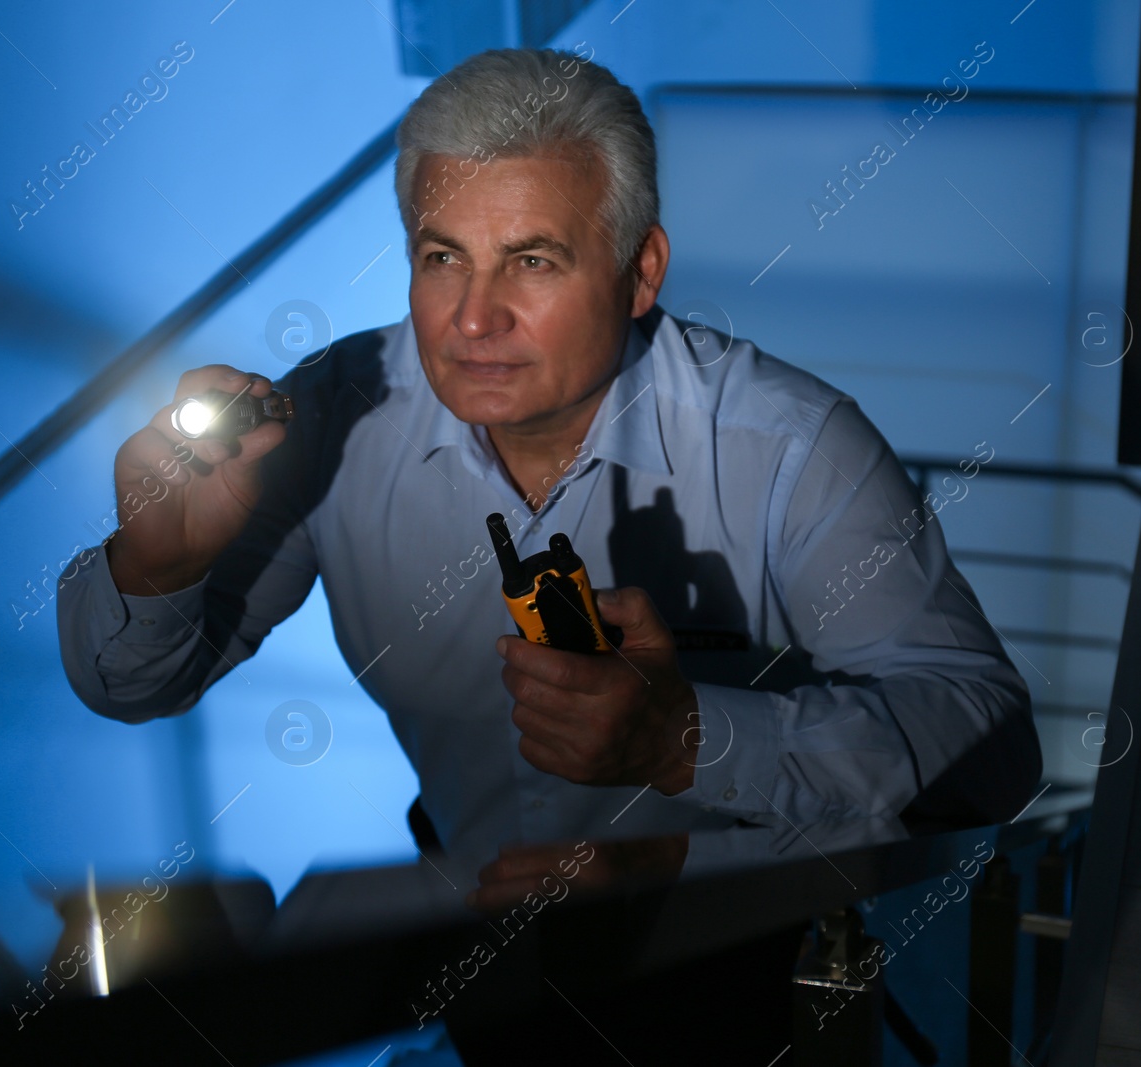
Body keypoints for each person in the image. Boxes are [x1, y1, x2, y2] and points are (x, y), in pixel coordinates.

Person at [56, 47, 1041, 868]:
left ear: (639, 271)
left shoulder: (791, 446)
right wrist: (158, 570)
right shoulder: (327, 417)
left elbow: (989, 746)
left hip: (735, 949)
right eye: (443, 257)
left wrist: (684, 737)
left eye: (532, 260)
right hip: (469, 940)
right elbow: (131, 688)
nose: (474, 319)